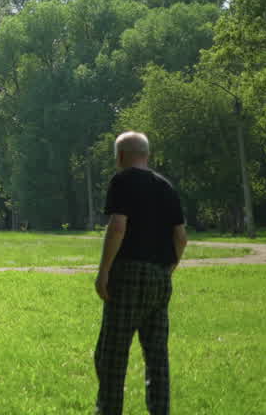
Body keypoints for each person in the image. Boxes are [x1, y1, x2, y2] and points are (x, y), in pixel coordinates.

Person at [93, 131, 187, 415]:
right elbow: (180, 237)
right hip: (160, 276)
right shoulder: (166, 187)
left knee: (112, 353)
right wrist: (167, 270)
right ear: (146, 154)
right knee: (156, 356)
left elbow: (118, 226)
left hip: (128, 274)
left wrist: (103, 272)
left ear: (120, 156)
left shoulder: (121, 181)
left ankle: (109, 410)